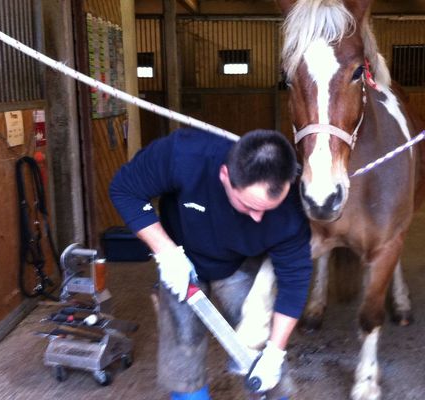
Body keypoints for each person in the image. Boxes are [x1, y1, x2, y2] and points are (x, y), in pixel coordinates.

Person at [109, 128, 312, 400]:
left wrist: (275, 353)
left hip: (240, 263)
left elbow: (294, 283)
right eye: (248, 205)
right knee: (182, 349)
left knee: (262, 346)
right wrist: (167, 253)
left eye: (268, 208)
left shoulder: (293, 210)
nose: (257, 218)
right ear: (225, 175)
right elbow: (125, 189)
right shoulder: (185, 154)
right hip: (181, 258)